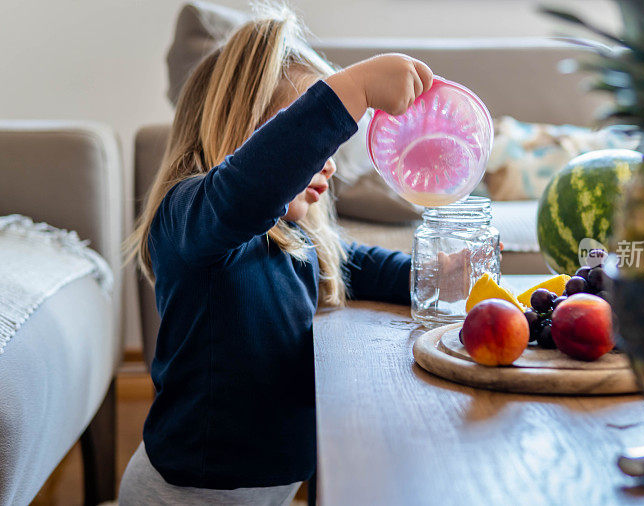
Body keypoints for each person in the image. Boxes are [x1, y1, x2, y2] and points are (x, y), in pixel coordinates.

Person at [119, 6, 433, 504]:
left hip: (269, 486)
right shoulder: (191, 218)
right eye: (309, 136)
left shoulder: (293, 238)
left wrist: (438, 271)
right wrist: (356, 88)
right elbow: (248, 189)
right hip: (186, 495)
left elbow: (360, 263)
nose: (326, 160)